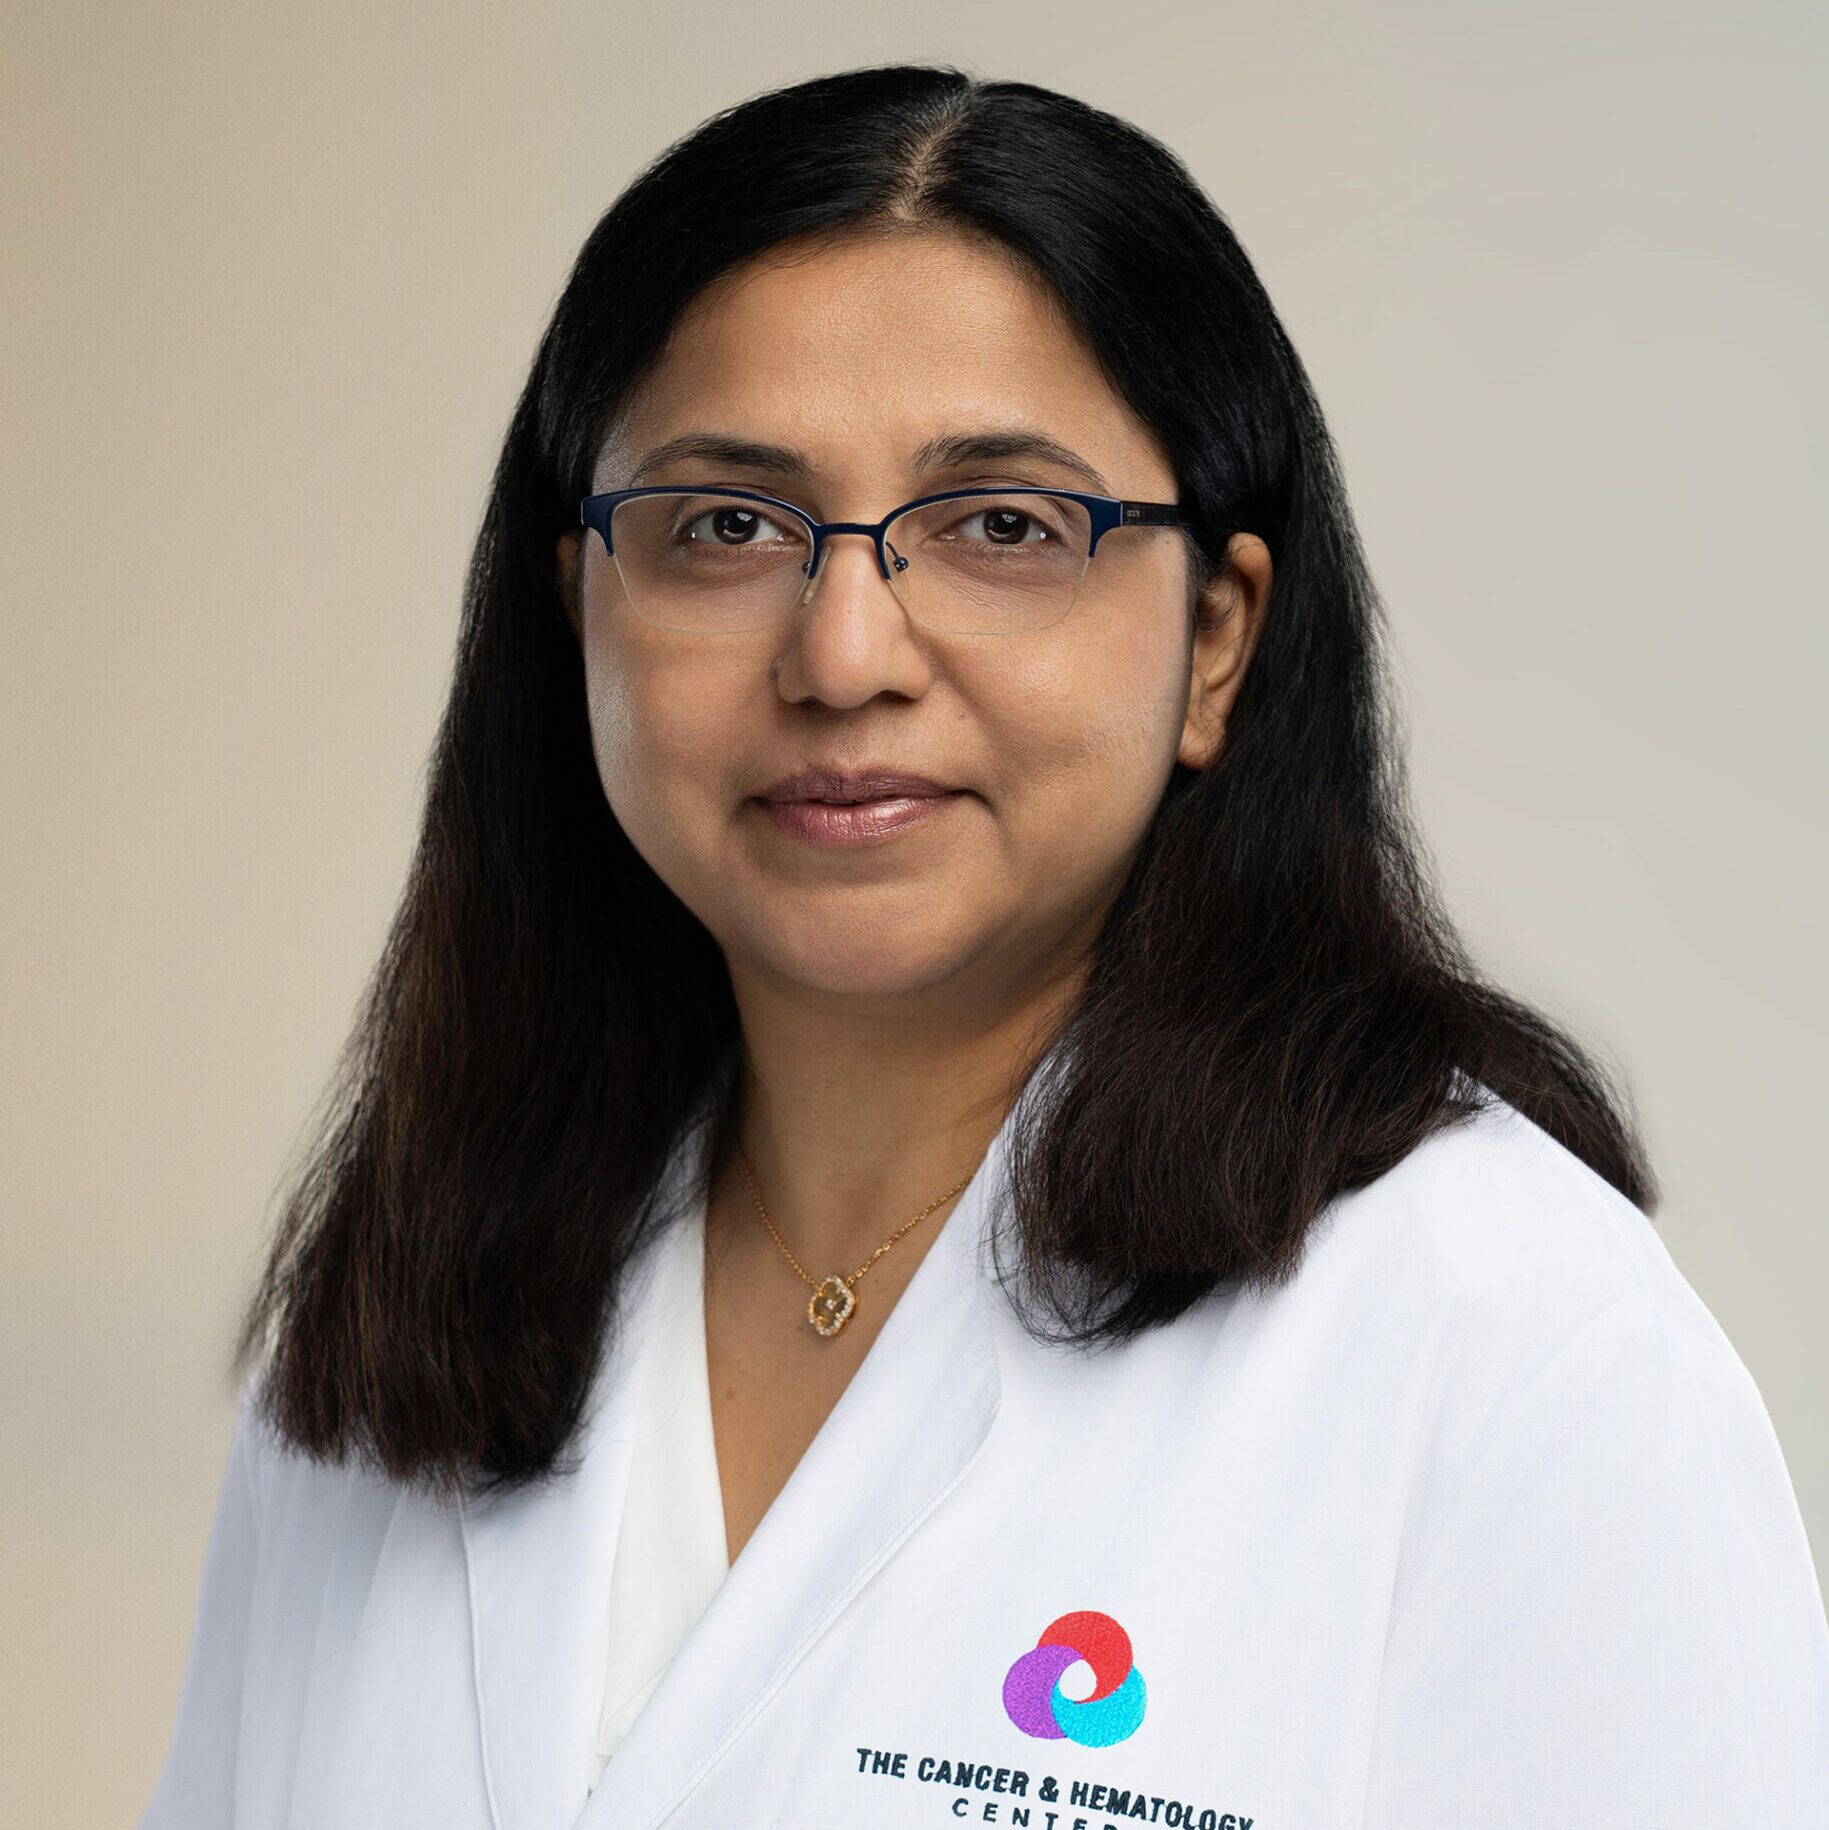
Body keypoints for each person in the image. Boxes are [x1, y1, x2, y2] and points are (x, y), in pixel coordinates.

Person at [141, 63, 1829, 1830]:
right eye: (726, 524)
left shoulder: (1503, 1337)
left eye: (1002, 526)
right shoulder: (413, 1319)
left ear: (1219, 638)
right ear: (578, 604)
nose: (846, 650)